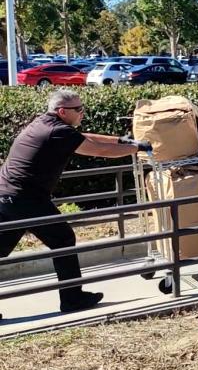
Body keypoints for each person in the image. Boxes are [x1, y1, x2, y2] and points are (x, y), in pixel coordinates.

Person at [0, 89, 151, 318]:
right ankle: (72, 298)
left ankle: (73, 296)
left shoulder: (44, 123)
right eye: (78, 109)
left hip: (8, 196)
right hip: (26, 199)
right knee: (63, 238)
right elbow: (98, 150)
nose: (82, 113)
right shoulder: (57, 132)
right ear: (62, 111)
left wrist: (123, 140)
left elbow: (87, 137)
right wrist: (138, 148)